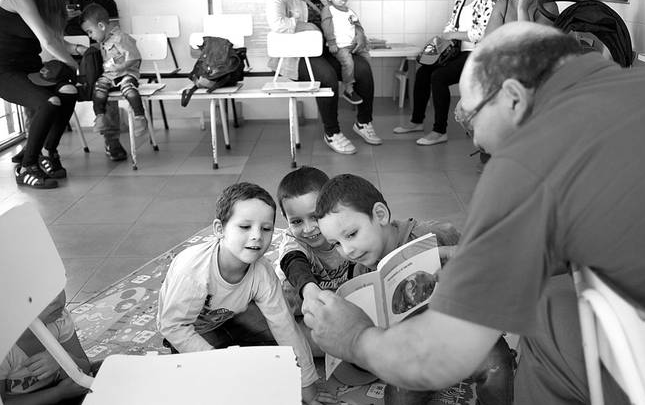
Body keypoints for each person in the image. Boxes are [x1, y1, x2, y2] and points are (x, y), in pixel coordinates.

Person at [302, 22, 645, 404]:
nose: (472, 137)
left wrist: (355, 338)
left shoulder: (528, 162)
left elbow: (438, 357)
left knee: (545, 316)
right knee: (561, 297)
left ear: (513, 97)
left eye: (470, 117)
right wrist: (466, 257)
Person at [313, 174, 514, 405]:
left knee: (497, 363)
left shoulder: (436, 236)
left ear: (380, 215)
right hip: (416, 352)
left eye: (351, 234)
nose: (347, 250)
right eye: (336, 244)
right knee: (399, 396)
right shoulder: (361, 273)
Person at [156, 182, 333, 405]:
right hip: (193, 331)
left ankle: (237, 353)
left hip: (231, 318)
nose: (257, 236)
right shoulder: (193, 273)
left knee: (286, 350)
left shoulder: (262, 272)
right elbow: (173, 326)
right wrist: (223, 363)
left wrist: (307, 386)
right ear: (220, 229)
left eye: (266, 228)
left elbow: (284, 326)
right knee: (224, 389)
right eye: (245, 227)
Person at [267, 0, 381, 155]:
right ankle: (332, 132)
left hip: (330, 49)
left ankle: (363, 122)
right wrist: (306, 26)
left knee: (362, 68)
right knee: (327, 76)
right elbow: (276, 23)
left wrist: (360, 33)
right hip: (300, 55)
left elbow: (346, 14)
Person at [393, 0, 503, 146]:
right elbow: (452, 24)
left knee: (439, 77)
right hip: (456, 50)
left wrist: (453, 35)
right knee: (423, 72)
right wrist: (446, 36)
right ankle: (416, 121)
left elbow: (484, 32)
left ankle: (439, 131)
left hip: (479, 53)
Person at [0, 0, 82, 189]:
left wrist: (76, 50)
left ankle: (47, 151)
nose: (65, 3)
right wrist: (72, 65)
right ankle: (26, 167)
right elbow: (47, 41)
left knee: (68, 91)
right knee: (48, 102)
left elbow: (55, 39)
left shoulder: (44, 5)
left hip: (32, 68)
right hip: (5, 71)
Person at [62, 0, 127, 162]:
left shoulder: (104, 1)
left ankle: (111, 139)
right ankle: (37, 143)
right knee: (40, 77)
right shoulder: (58, 4)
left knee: (107, 77)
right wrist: (63, 18)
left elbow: (114, 36)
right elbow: (49, 38)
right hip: (64, 56)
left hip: (98, 56)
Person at [275, 166, 352, 312]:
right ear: (285, 218)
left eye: (315, 217)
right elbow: (293, 262)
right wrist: (309, 289)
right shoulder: (294, 243)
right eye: (297, 222)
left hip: (333, 296)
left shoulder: (342, 227)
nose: (308, 229)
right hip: (297, 305)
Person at [0, 290, 91, 404]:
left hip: (63, 387)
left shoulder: (59, 318)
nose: (56, 299)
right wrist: (58, 393)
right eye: (39, 292)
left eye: (57, 287)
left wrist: (61, 361)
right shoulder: (4, 346)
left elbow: (86, 367)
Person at [80, 3, 147, 136]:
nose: (90, 36)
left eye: (90, 32)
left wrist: (121, 67)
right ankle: (100, 117)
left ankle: (139, 117)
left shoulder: (121, 38)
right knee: (98, 87)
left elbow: (135, 58)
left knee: (128, 89)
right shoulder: (103, 41)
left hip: (126, 73)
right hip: (111, 75)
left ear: (101, 26)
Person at [320, 0, 369, 106]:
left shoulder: (350, 12)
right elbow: (326, 26)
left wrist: (360, 36)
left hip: (353, 45)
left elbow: (358, 25)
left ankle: (358, 85)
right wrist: (331, 42)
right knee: (348, 63)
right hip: (340, 47)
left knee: (367, 59)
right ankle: (348, 89)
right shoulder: (328, 10)